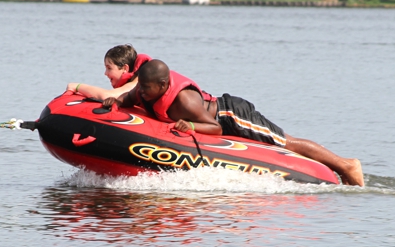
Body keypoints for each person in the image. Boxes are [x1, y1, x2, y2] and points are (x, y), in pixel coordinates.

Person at [103, 59, 365, 186]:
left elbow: (215, 128)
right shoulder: (145, 90)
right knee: (283, 143)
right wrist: (112, 103)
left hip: (231, 115)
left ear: (163, 85)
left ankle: (346, 165)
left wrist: (191, 126)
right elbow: (127, 97)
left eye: (148, 88)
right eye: (142, 88)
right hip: (217, 118)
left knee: (285, 142)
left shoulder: (184, 102)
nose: (143, 92)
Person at [66, 44, 152, 100]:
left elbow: (106, 96)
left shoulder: (137, 82)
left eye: (109, 68)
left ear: (125, 68)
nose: (105, 73)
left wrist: (77, 86)